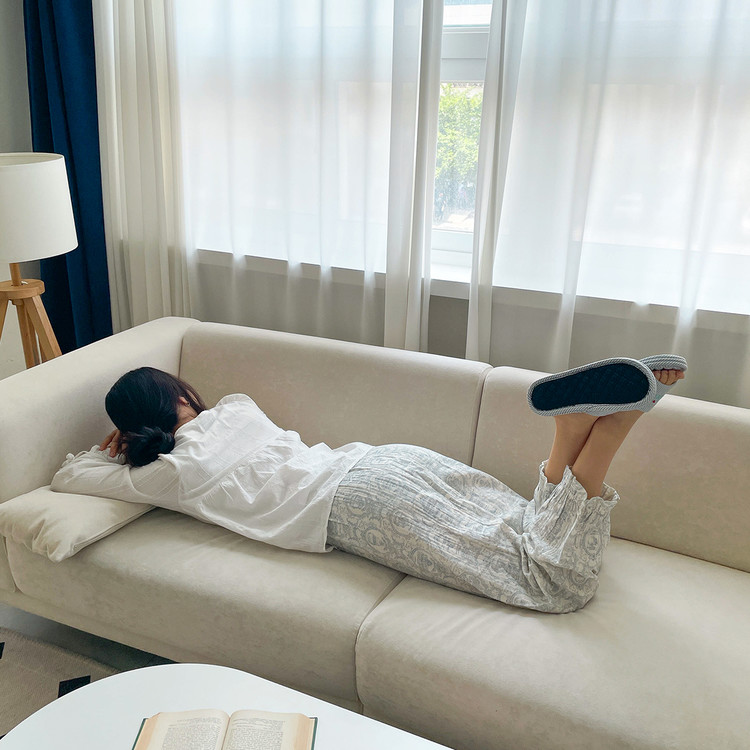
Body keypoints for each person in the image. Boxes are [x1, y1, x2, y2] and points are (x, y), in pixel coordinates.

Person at [51, 356, 686, 614]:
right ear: (181, 394)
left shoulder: (165, 474)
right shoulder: (238, 408)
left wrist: (122, 448)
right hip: (383, 461)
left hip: (358, 507)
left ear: (133, 425)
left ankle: (600, 430)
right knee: (522, 526)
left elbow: (68, 475)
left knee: (553, 583)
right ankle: (583, 426)